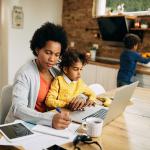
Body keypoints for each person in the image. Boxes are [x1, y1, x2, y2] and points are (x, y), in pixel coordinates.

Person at [5, 22, 85, 129]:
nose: (52, 59)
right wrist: (49, 119)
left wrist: (80, 98)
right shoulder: (24, 74)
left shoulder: (55, 72)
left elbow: (75, 86)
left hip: (45, 126)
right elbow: (18, 108)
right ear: (37, 49)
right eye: (48, 52)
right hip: (22, 127)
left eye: (57, 55)